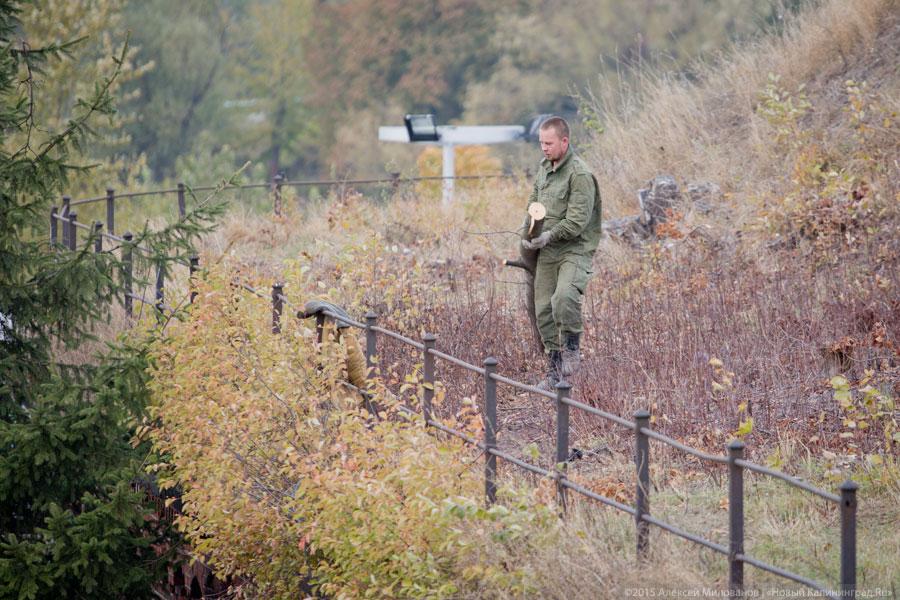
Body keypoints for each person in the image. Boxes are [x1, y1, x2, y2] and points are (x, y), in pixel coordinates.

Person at [520, 116, 601, 388]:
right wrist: (528, 234)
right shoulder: (545, 168)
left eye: (549, 143)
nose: (544, 148)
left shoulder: (580, 174)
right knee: (543, 309)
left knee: (564, 297)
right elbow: (534, 203)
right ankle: (554, 372)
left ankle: (572, 348)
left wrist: (548, 236)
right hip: (547, 249)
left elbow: (577, 222)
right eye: (541, 143)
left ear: (564, 141)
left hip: (574, 249)